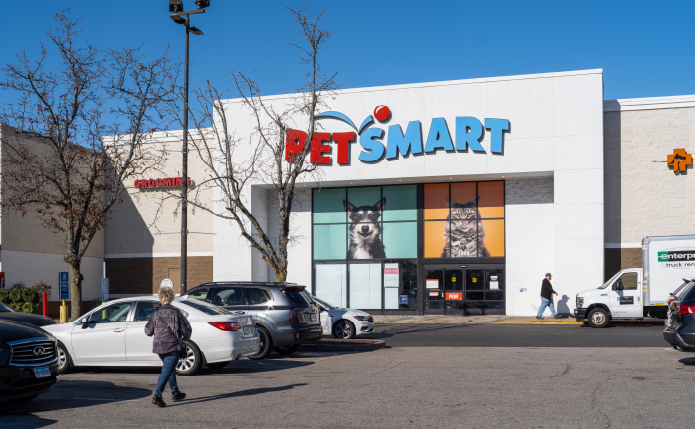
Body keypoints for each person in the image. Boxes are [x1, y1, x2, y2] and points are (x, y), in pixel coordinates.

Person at [145, 287, 192, 407]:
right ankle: (157, 396)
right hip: (173, 347)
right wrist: (185, 337)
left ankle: (176, 393)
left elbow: (148, 331)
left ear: (160, 298)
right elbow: (186, 331)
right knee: (166, 371)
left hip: (159, 347)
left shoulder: (156, 313)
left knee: (170, 370)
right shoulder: (176, 313)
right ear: (171, 298)